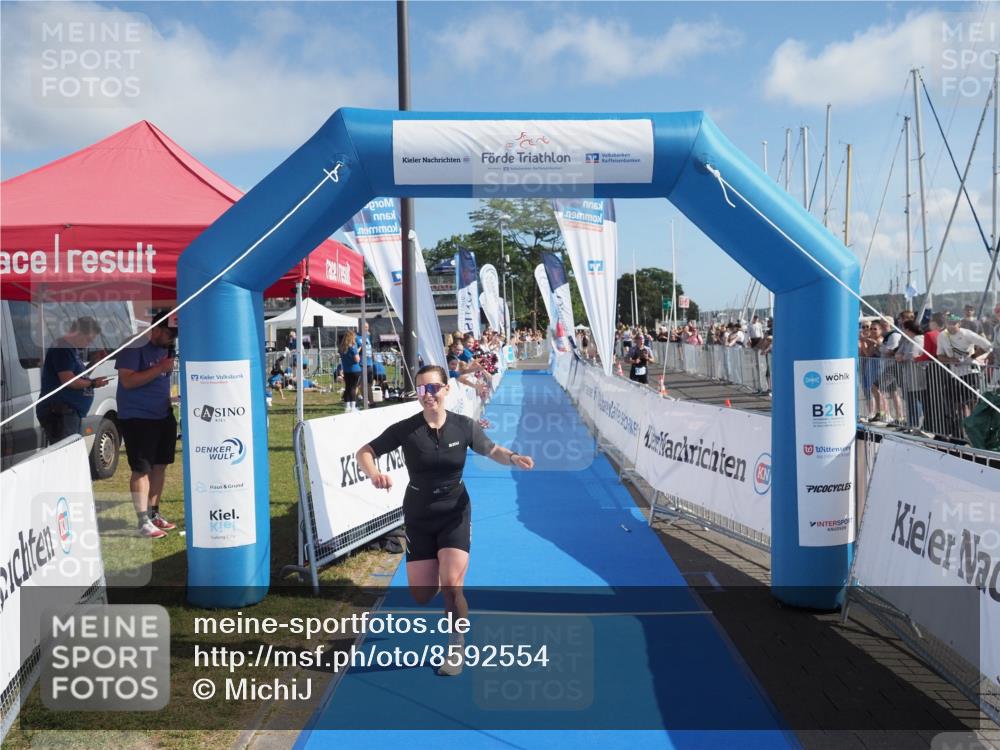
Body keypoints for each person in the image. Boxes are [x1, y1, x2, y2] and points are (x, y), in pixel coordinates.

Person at [355, 365, 535, 676]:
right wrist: (374, 474)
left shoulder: (464, 426)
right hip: (419, 515)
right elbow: (365, 451)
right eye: (423, 389)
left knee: (453, 586)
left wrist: (514, 457)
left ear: (446, 389)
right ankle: (438, 568)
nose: (429, 395)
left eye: (434, 388)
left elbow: (493, 450)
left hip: (455, 512)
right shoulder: (406, 429)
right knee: (422, 595)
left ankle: (455, 645)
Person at [116, 320, 178, 539]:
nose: (173, 340)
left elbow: (159, 382)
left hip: (163, 414)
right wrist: (160, 367)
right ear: (157, 328)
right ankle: (142, 521)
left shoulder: (166, 348)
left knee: (160, 466)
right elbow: (128, 381)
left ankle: (153, 514)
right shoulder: (134, 345)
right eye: (170, 335)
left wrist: (170, 398)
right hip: (137, 417)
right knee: (141, 469)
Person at [36, 316, 110, 445]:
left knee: (70, 452)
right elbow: (69, 380)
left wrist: (94, 363)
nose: (89, 344)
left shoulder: (70, 350)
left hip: (67, 413)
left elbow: (78, 377)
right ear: (78, 333)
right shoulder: (63, 348)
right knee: (66, 454)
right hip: (61, 413)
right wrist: (93, 383)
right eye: (88, 339)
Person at [339, 330, 362, 412]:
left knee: (347, 388)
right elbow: (357, 360)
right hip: (355, 370)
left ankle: (347, 406)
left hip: (346, 370)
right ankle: (353, 407)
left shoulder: (341, 347)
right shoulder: (353, 346)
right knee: (353, 388)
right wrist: (358, 354)